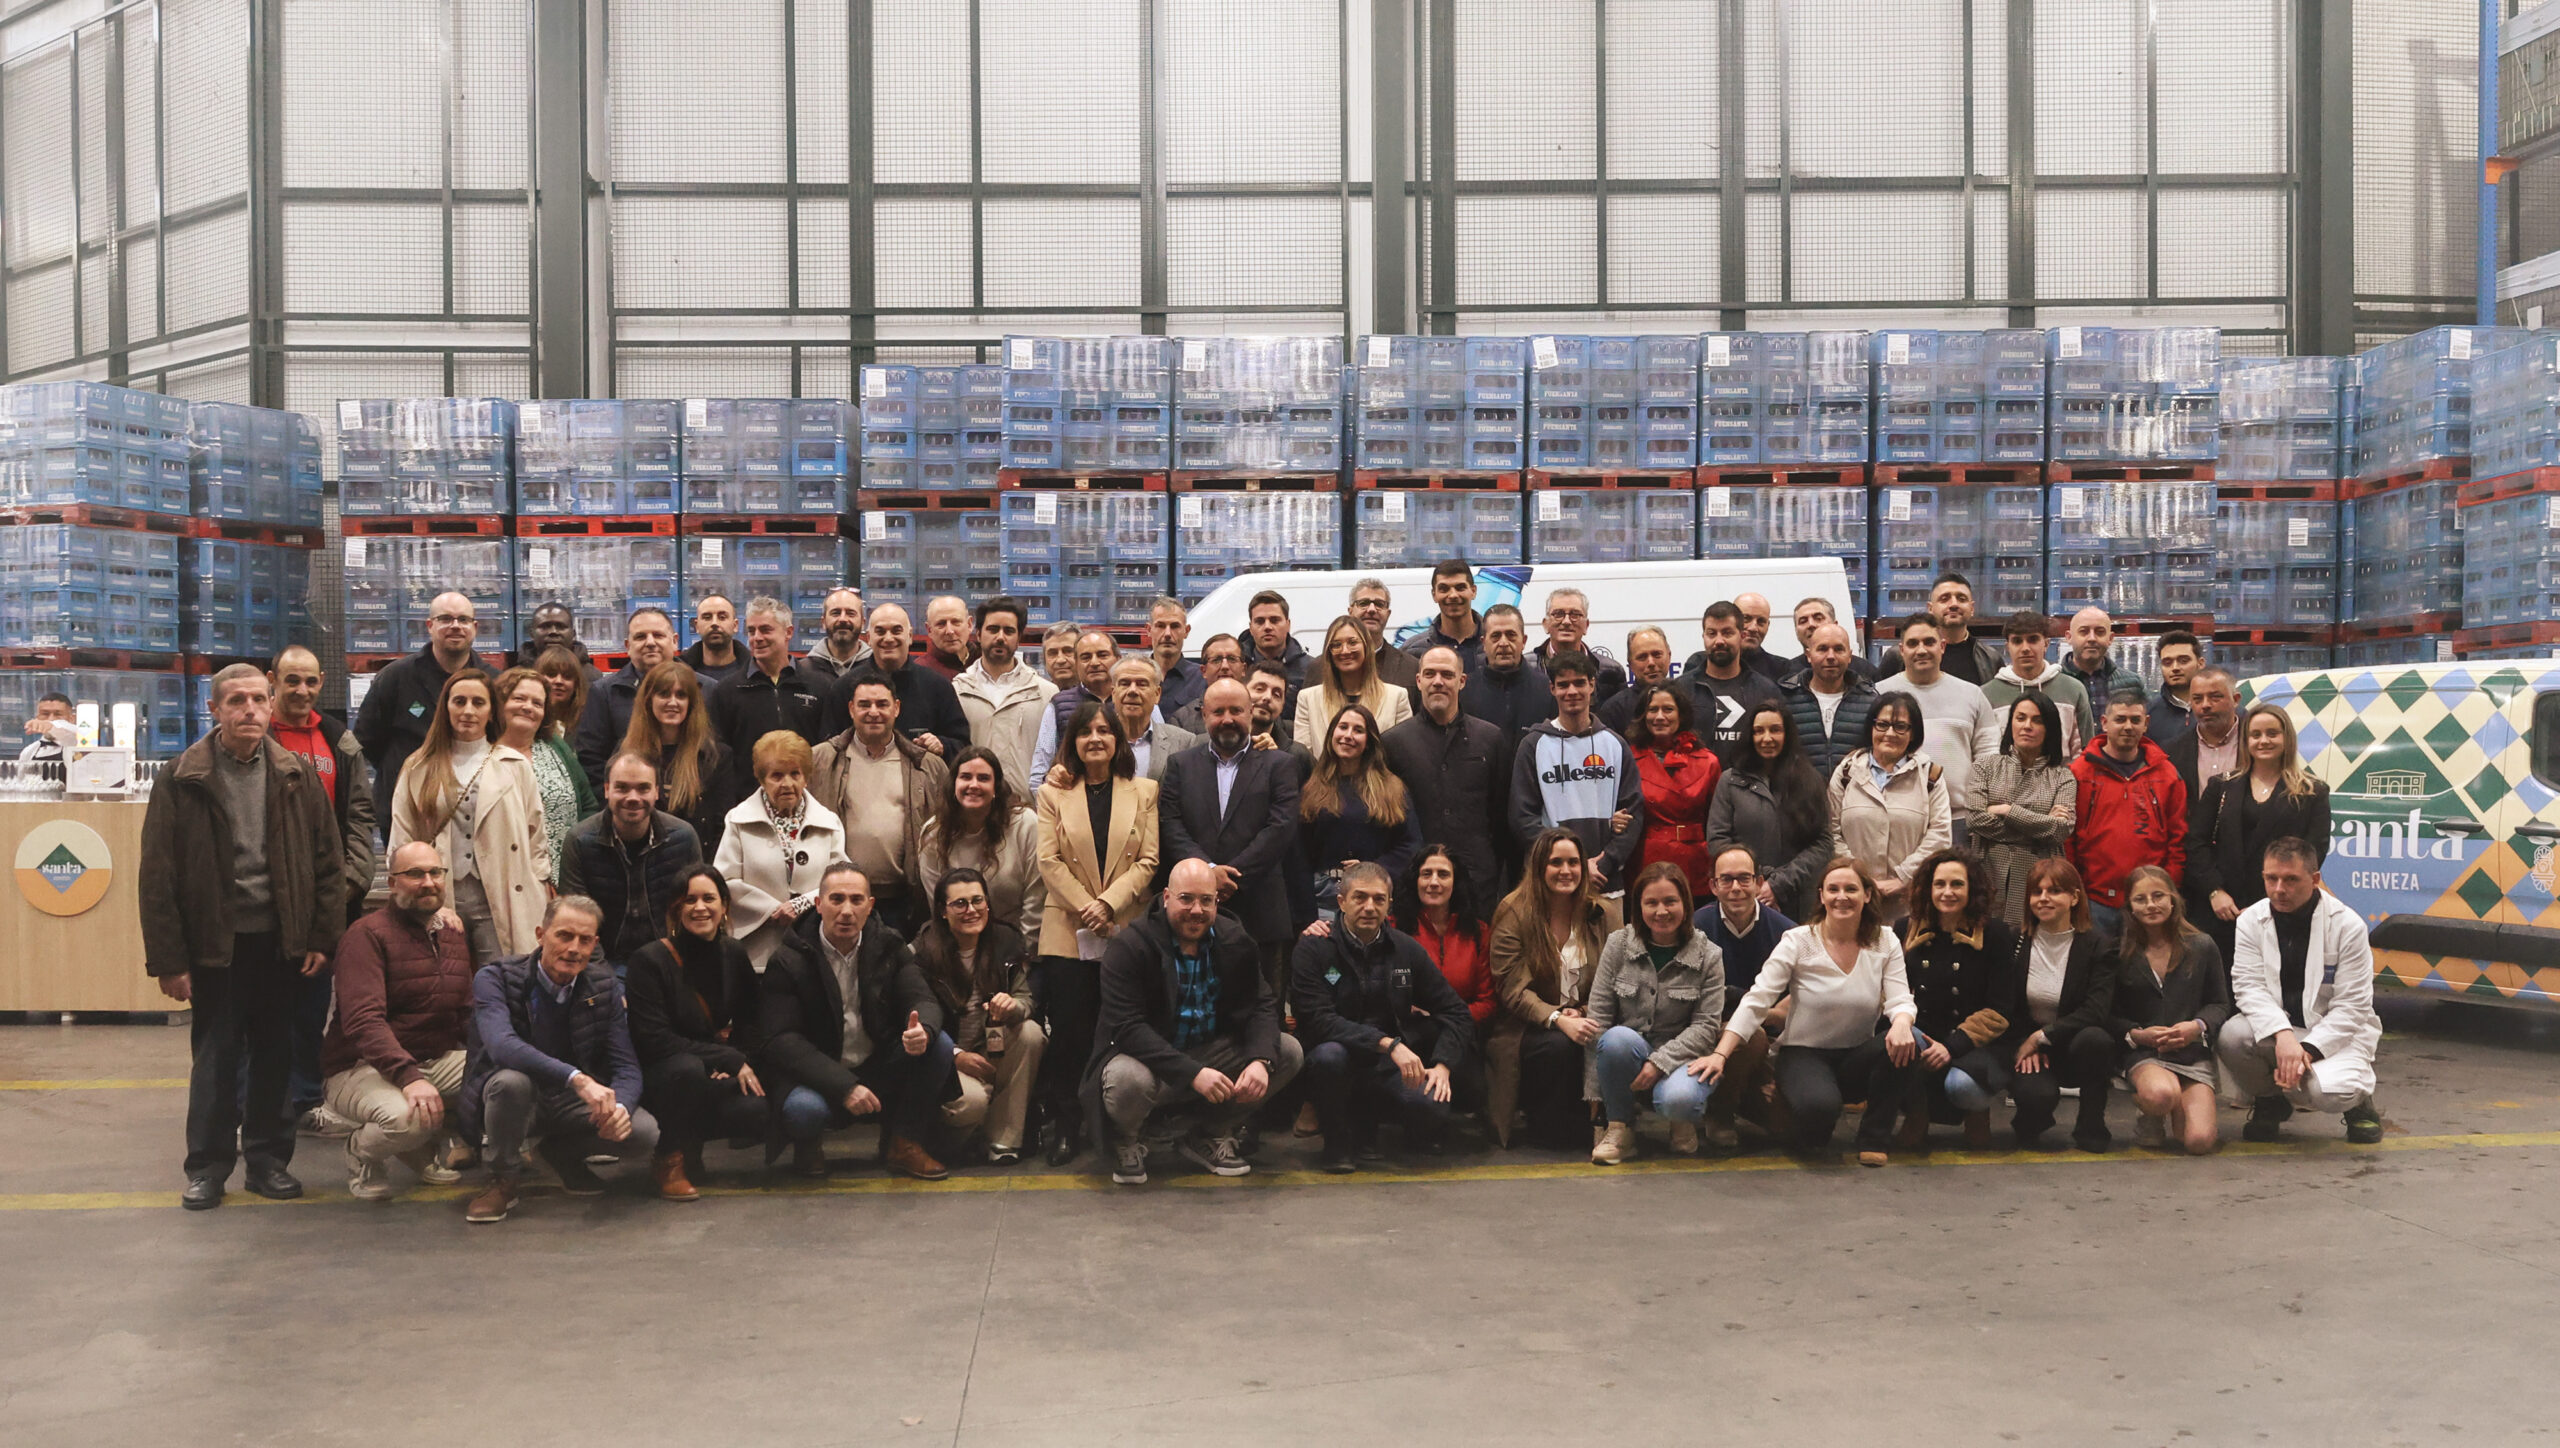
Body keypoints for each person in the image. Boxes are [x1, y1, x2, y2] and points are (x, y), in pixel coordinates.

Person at [143, 664, 346, 1209]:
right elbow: (156, 875)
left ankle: (267, 1162)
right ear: (214, 710)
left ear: (272, 705)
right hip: (216, 944)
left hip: (280, 942)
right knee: (216, 1057)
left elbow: (328, 863)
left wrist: (321, 938)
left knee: (275, 1054)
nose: (251, 710)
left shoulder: (294, 775)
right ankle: (207, 1167)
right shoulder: (182, 778)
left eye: (259, 699)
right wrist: (169, 959)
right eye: (237, 701)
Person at [1087, 859, 1305, 1184]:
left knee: (1287, 1052)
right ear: (1165, 898)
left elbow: (1261, 1003)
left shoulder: (1235, 939)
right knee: (1127, 1079)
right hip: (1150, 1063)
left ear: (1217, 901)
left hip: (1210, 1054)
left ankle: (1208, 1133)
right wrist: (1193, 1074)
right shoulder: (1130, 947)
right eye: (1186, 898)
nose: (1196, 910)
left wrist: (1260, 1060)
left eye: (1207, 900)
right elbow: (1127, 1028)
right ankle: (1128, 1139)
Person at [1696, 858, 1918, 1165]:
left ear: (1867, 895)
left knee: (1908, 1040)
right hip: (1803, 1054)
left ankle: (1874, 1137)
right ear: (1822, 896)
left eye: (1851, 889)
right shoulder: (1798, 940)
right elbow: (1758, 999)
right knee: (1816, 1121)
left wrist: (1903, 1022)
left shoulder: (1886, 940)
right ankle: (1790, 1102)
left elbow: (1900, 999)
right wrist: (1721, 1054)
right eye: (1834, 889)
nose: (1842, 896)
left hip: (1856, 1056)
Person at [458, 895, 662, 1223]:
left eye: (584, 940)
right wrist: (577, 1078)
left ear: (595, 943)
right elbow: (501, 1046)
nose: (573, 949)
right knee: (511, 1083)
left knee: (642, 1132)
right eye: (563, 936)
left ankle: (560, 1155)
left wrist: (620, 1108)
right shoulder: (495, 977)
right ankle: (503, 1179)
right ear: (541, 934)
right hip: (515, 1100)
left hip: (567, 1102)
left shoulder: (604, 984)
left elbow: (625, 1064)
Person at [755, 862, 957, 1180]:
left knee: (939, 1045)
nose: (846, 911)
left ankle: (903, 1143)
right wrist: (845, 1086)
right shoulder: (788, 958)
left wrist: (923, 1030)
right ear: (819, 905)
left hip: (877, 1065)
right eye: (836, 899)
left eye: (856, 900)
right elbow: (781, 1041)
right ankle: (808, 1145)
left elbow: (923, 1000)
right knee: (803, 1111)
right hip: (819, 1075)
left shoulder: (890, 945)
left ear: (870, 906)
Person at [1033, 700, 1159, 1164]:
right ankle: (1066, 1124)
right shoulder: (1053, 795)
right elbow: (1049, 860)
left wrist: (1109, 904)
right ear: (1073, 742)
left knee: (1124, 1031)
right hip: (1068, 928)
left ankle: (1118, 1126)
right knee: (1070, 1033)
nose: (1096, 739)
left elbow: (1148, 859)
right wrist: (1089, 907)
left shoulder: (1145, 790)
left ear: (1118, 739)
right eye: (1086, 732)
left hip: (1125, 926)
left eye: (1105, 731)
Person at [1293, 861, 1479, 1171]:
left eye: (1379, 899)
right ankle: (1338, 1142)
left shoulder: (1405, 950)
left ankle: (1370, 1130)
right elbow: (1317, 1020)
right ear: (1341, 901)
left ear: (1389, 904)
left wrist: (1443, 1066)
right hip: (1335, 1057)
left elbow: (1456, 1011)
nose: (1369, 907)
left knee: (1431, 1105)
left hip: (1385, 1066)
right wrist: (1389, 1045)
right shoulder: (1314, 948)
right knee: (1329, 1057)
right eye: (1360, 897)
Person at [265, 646, 376, 1138]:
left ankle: (307, 1099)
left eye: (310, 681)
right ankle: (258, 1108)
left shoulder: (338, 740)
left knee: (313, 1009)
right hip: (266, 901)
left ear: (322, 681)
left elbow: (359, 816)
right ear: (274, 680)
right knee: (262, 1012)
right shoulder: (256, 734)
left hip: (326, 901)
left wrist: (352, 880)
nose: (302, 691)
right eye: (291, 681)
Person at [322, 841, 471, 1200]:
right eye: (414, 874)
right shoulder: (366, 935)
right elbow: (364, 1022)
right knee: (409, 1119)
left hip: (431, 1059)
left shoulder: (450, 934)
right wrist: (410, 1078)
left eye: (435, 873)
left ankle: (420, 1151)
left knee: (509, 1076)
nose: (428, 882)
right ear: (391, 883)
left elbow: (468, 1010)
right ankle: (362, 1150)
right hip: (360, 1066)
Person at [2216, 837, 2385, 1145]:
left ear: (2315, 879)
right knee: (2231, 1036)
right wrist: (2283, 1037)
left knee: (2329, 1094)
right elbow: (2248, 988)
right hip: (2280, 1032)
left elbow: (2353, 1006)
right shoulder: (2251, 921)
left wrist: (2305, 1050)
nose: (2279, 889)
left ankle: (2360, 1104)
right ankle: (2269, 1102)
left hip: (2333, 1034)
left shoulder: (2348, 926)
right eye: (2271, 878)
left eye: (2291, 879)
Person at [387, 668, 550, 965]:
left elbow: (536, 837)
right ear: (445, 707)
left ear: (491, 712)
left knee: (501, 983)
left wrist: (538, 887)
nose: (468, 711)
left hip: (502, 896)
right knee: (443, 984)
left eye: (478, 703)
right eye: (459, 701)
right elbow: (402, 836)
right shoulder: (418, 766)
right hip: (436, 896)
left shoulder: (515, 766)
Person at [624, 866, 763, 1198]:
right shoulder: (649, 960)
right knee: (687, 1072)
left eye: (709, 898)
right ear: (675, 909)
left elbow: (752, 1020)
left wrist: (739, 1059)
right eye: (689, 900)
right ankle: (669, 1158)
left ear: (724, 906)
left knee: (756, 1108)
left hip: (711, 1066)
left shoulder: (734, 953)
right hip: (663, 1072)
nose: (700, 907)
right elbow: (653, 1039)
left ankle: (692, 1147)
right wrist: (725, 1058)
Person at [1160, 679, 1303, 996]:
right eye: (1218, 711)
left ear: (1251, 713)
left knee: (1261, 1009)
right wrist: (1207, 873)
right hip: (1192, 915)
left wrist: (1232, 876)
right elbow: (1170, 824)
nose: (1227, 718)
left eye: (1236, 710)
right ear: (1204, 715)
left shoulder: (1280, 764)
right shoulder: (1180, 765)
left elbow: (1280, 828)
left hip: (1260, 910)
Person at [1586, 861, 1727, 1163]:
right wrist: (1595, 1096)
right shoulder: (1617, 945)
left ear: (1685, 904)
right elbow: (1597, 1018)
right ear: (1639, 906)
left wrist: (1659, 1063)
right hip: (1629, 1052)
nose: (1661, 911)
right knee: (1615, 1039)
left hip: (1682, 1058)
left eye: (1670, 901)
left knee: (1680, 1100)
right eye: (1651, 902)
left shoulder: (1710, 955)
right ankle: (1620, 1127)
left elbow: (1705, 1028)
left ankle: (1682, 1120)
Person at [1485, 828, 1610, 1148]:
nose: (1566, 871)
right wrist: (1558, 1018)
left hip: (1588, 1016)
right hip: (1526, 1026)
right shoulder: (1513, 912)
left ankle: (1604, 1120)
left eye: (1573, 862)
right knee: (1559, 1045)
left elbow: (1615, 978)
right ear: (1539, 866)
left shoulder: (1601, 913)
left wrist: (1580, 1011)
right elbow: (1512, 988)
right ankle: (1549, 1124)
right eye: (1556, 862)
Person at [912, 868, 1046, 1164]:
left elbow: (1027, 1000)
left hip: (991, 1045)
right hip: (945, 1056)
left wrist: (1013, 1006)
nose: (971, 910)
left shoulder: (1006, 941)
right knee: (971, 1103)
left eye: (978, 901)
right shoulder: (920, 952)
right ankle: (955, 1143)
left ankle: (1003, 1142)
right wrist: (955, 1054)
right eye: (960, 904)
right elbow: (917, 1018)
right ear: (943, 912)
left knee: (1031, 1033)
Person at [2185, 701, 2331, 972]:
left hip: (2283, 909)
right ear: (2246, 740)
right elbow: (2196, 843)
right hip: (2225, 910)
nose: (2264, 740)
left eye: (2272, 733)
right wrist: (2214, 891)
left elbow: (2314, 852)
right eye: (2256, 734)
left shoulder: (2312, 792)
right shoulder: (2221, 786)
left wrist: (2279, 894)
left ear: (2286, 738)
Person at [1896, 848, 2019, 1152]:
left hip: (1977, 1041)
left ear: (1971, 889)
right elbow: (1895, 992)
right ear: (1928, 888)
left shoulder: (1995, 933)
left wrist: (1952, 1046)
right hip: (1924, 1032)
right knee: (1893, 1040)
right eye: (1940, 884)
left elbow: (2000, 1009)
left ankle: (1977, 1112)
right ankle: (1916, 1116)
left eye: (1957, 884)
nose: (1947, 892)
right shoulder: (1905, 929)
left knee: (1962, 1088)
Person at [808, 669, 948, 933]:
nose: (873, 711)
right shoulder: (819, 761)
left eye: (882, 704)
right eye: (864, 704)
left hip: (904, 902)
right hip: (840, 901)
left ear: (896, 708)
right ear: (851, 709)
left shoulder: (928, 766)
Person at [2111, 864, 2230, 1156]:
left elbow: (2220, 1003)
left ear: (2173, 899)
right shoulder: (2118, 952)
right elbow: (2107, 1013)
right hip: (2145, 1054)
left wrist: (2197, 1026)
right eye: (2141, 899)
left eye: (2158, 896)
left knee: (2198, 1142)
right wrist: (2137, 1034)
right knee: (2162, 1094)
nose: (2151, 905)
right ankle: (2151, 1111)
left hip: (2192, 1054)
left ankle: (2174, 1107)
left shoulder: (2202, 945)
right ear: (2130, 906)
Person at [353, 589, 497, 828]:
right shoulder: (396, 678)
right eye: (445, 619)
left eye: (463, 620)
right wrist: (404, 768)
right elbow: (367, 740)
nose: (455, 626)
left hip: (474, 813)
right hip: (407, 813)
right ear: (429, 625)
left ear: (475, 627)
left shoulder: (493, 682)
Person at [2003, 858, 2120, 1151]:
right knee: (2036, 1096)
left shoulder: (2099, 946)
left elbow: (2096, 1010)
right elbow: (2005, 1003)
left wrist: (2043, 1037)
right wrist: (2025, 1042)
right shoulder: (2014, 940)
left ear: (2074, 897)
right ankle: (2030, 1119)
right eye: (2036, 891)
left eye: (2054, 891)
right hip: (2027, 1045)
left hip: (2072, 1043)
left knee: (2097, 1040)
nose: (2043, 898)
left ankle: (2091, 1123)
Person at [1511, 650, 1643, 900]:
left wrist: (1605, 863)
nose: (1571, 691)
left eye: (1580, 682)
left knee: (1612, 942)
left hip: (1605, 883)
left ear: (1592, 685)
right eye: (1563, 685)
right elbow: (1522, 818)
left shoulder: (1615, 744)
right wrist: (1572, 866)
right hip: (1552, 885)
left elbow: (1633, 813)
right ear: (1552, 689)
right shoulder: (1533, 746)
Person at [714, 730, 851, 970]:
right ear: (761, 779)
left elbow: (842, 882)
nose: (787, 784)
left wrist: (802, 905)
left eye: (795, 774)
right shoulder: (737, 820)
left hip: (814, 950)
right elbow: (724, 882)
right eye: (777, 776)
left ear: (806, 778)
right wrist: (772, 910)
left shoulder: (829, 823)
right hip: (755, 954)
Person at [1383, 645, 1512, 896]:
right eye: (1430, 674)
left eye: (1447, 675)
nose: (1438, 682)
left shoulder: (1490, 739)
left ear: (1462, 681)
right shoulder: (1393, 743)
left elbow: (1500, 816)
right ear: (1418, 681)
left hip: (1477, 882)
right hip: (1414, 882)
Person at [558, 751, 705, 965]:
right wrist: (604, 981)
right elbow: (575, 918)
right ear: (607, 790)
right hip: (603, 962)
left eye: (643, 788)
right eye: (622, 788)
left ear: (656, 792)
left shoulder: (684, 838)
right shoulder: (579, 841)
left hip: (670, 962)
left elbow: (693, 911)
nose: (633, 798)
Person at [2066, 690, 2188, 938]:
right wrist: (2075, 891)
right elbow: (2068, 838)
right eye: (2120, 719)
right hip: (2095, 900)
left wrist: (2167, 890)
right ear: (2104, 723)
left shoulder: (2166, 774)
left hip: (2150, 903)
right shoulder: (2078, 773)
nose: (2128, 726)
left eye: (2135, 720)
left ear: (2146, 724)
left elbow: (2179, 839)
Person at [1692, 845, 1792, 1148]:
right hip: (1710, 1034)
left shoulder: (1787, 933)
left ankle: (1744, 1094)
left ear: (1759, 882)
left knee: (1792, 1128)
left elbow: (1798, 1001)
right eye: (1726, 879)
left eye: (1744, 879)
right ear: (1712, 886)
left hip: (1774, 1044)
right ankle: (1719, 1114)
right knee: (1752, 1036)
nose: (1736, 888)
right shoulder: (1695, 928)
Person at [1827, 692, 1951, 924]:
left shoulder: (1930, 776)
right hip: (1852, 899)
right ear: (1871, 727)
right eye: (1882, 725)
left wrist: (1902, 877)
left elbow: (1940, 835)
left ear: (1913, 733)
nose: (1890, 733)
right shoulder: (1846, 772)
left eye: (1900, 726)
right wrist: (1858, 877)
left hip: (1909, 901)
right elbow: (1831, 831)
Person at [1705, 703, 1833, 920]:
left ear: (1788, 734)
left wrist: (1778, 883)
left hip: (1800, 899)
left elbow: (1823, 843)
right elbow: (1718, 840)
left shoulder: (1811, 780)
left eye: (1775, 730)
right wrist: (1756, 881)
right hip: (1744, 896)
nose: (1767, 738)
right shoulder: (1730, 781)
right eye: (1758, 731)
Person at [1298, 702, 1423, 917]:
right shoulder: (1312, 786)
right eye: (1343, 727)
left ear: (1369, 742)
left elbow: (1411, 844)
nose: (1348, 735)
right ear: (1332, 734)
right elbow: (1299, 851)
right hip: (1323, 897)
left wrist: (1372, 869)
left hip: (1373, 895)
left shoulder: (1391, 788)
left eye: (1358, 730)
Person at [706, 596, 828, 808]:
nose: (757, 638)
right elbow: (719, 758)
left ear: (788, 632)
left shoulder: (818, 686)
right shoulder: (727, 691)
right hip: (748, 808)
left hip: (809, 805)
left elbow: (826, 754)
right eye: (752, 631)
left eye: (765, 630)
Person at [1968, 692, 2077, 928]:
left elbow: (2061, 830)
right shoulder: (1985, 767)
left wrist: (2007, 810)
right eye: (2020, 718)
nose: (2027, 726)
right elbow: (1975, 819)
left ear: (2049, 728)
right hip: (1989, 872)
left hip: (2041, 878)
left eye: (2037, 720)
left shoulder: (2062, 776)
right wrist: (2041, 824)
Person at [920, 745, 1046, 942]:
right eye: (966, 777)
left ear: (996, 787)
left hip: (1018, 944)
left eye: (984, 778)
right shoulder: (933, 833)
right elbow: (939, 909)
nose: (974, 785)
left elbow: (1036, 900)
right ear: (953, 784)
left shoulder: (1026, 824)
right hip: (958, 945)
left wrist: (1022, 959)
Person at [1883, 612, 2002, 813]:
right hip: (1898, 816)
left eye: (1929, 642)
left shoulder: (1972, 693)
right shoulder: (1880, 694)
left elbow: (1988, 754)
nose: (1921, 650)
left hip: (1960, 817)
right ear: (1902, 651)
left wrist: (1981, 803)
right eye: (1913, 644)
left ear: (1942, 647)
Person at [829, 602, 972, 763]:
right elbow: (830, 750)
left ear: (910, 636)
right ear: (869, 638)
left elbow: (963, 746)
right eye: (880, 631)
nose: (888, 638)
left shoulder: (938, 687)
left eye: (896, 631)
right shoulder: (844, 688)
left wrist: (942, 746)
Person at [616, 660, 730, 854]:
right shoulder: (626, 753)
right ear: (648, 700)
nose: (672, 702)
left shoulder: (716, 757)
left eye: (681, 695)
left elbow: (722, 825)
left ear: (691, 703)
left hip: (696, 867)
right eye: (664, 694)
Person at [496, 658, 592, 881]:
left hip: (563, 879)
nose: (528, 707)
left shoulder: (555, 745)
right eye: (519, 698)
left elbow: (587, 804)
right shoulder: (482, 751)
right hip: (502, 879)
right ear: (500, 702)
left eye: (537, 703)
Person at [952, 594, 1057, 795]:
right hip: (973, 810)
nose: (1000, 637)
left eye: (1009, 631)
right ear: (978, 634)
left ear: (1019, 638)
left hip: (1027, 810)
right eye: (993, 629)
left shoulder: (1045, 693)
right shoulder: (957, 691)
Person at [1624, 681, 1720, 895]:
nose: (1659, 717)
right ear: (1643, 715)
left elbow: (1716, 822)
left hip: (1696, 865)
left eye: (1668, 709)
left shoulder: (1708, 762)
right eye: (1652, 710)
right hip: (1646, 861)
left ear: (1682, 714)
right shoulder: (1627, 759)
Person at [1397, 844, 1497, 1032]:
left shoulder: (1479, 932)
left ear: (1456, 882)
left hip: (1463, 1032)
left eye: (1443, 874)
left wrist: (1445, 1020)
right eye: (1426, 874)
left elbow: (1487, 1002)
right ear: (1415, 880)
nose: (1434, 882)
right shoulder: (1394, 927)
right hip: (1409, 1033)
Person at [575, 607, 679, 787]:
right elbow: (591, 760)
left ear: (675, 641)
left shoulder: (702, 688)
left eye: (658, 635)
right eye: (640, 637)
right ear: (627, 646)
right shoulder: (603, 693)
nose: (650, 642)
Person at [1677, 600, 1783, 769]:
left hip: (1748, 789)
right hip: (1695, 792)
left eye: (1727, 633)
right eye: (1712, 633)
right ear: (1703, 636)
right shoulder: (1681, 689)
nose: (1719, 641)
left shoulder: (1766, 690)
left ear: (1741, 636)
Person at [1294, 614, 1414, 754]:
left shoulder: (1397, 697)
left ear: (1366, 647)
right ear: (1329, 652)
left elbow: (1402, 755)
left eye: (1352, 642)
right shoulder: (1308, 699)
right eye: (1337, 645)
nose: (1345, 651)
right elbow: (1304, 759)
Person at [1979, 610, 2091, 755]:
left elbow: (2084, 751)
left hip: (2062, 776)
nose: (2025, 648)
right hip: (2006, 777)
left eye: (2032, 639)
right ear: (2008, 647)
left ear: (2046, 644)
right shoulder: (1986, 695)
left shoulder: (2073, 689)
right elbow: (1985, 752)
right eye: (2017, 641)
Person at [1780, 621, 1878, 778]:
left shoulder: (1870, 701)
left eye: (1839, 649)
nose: (1831, 656)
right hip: (1799, 798)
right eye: (1822, 649)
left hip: (1853, 797)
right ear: (1809, 655)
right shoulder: (1785, 699)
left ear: (1850, 656)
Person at [1027, 626, 1124, 783]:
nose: (1094, 662)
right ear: (1077, 663)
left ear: (1118, 660)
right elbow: (1039, 774)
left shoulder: (1133, 700)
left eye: (1102, 655)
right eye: (1085, 657)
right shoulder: (1058, 705)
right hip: (1073, 802)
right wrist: (1052, 806)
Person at [529, 646, 602, 852]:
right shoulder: (527, 728)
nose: (558, 681)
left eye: (567, 676)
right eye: (550, 674)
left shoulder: (590, 724)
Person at [1458, 604, 1556, 753]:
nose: (1503, 643)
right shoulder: (1464, 692)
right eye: (1496, 636)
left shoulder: (1547, 690)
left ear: (1523, 641)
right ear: (1484, 643)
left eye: (1511, 635)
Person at [1880, 573, 2001, 685]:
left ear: (1972, 608)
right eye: (1944, 599)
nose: (1954, 604)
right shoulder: (1897, 657)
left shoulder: (1990, 658)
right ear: (1930, 608)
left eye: (1962, 599)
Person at [1105, 655, 1197, 782]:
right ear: (1113, 693)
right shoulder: (1095, 740)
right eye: (1125, 683)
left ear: (1157, 694)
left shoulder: (1184, 742)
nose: (1132, 691)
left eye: (1142, 684)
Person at [2161, 665, 2241, 805]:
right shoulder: (2171, 752)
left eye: (2215, 697)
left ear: (2236, 699)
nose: (2205, 705)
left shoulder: (2256, 744)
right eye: (2198, 699)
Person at [1533, 588, 1626, 705]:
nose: (1566, 621)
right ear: (1545, 624)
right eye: (1558, 614)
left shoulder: (1611, 671)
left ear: (1586, 625)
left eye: (1575, 615)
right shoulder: (1527, 667)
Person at [1238, 588, 1314, 720]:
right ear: (1250, 627)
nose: (1267, 627)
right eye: (1260, 621)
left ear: (1288, 624)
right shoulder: (1238, 666)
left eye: (1274, 620)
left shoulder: (1310, 669)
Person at [1399, 559, 1485, 674]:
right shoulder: (1412, 651)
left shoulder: (1496, 645)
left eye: (1460, 588)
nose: (1453, 595)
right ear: (1434, 595)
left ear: (1473, 591)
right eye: (1444, 589)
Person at [1597, 625, 1675, 735]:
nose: (1651, 663)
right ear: (1630, 664)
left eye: (1657, 654)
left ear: (1669, 656)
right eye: (1642, 657)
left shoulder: (1688, 699)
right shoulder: (1614, 710)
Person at [1346, 577, 1419, 692]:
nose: (1371, 609)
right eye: (1363, 603)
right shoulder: (1323, 667)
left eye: (1379, 604)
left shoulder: (1411, 668)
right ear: (1350, 612)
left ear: (1388, 614)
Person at [796, 586, 872, 692]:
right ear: (823, 622)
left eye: (850, 613)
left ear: (863, 623)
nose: (843, 619)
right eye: (836, 613)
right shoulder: (802, 671)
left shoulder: (876, 669)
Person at [2060, 607, 2142, 703]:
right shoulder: (2054, 683)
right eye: (2084, 631)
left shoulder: (2132, 684)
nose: (2092, 638)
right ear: (2069, 637)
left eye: (2100, 632)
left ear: (2110, 638)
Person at [1168, 632, 1246, 733]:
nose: (1225, 666)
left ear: (1244, 669)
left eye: (1232, 659)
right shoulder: (1181, 720)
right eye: (1216, 660)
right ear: (1203, 670)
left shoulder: (1259, 713)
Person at [1789, 597, 1877, 682]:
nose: (1811, 624)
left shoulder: (1865, 672)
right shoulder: (1787, 675)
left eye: (1818, 618)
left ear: (1835, 625)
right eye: (1803, 621)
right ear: (1796, 631)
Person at [1146, 596, 1207, 712]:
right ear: (1148, 630)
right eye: (1160, 626)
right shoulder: (1135, 677)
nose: (1168, 633)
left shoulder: (1202, 679)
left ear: (1186, 631)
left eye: (1175, 626)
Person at [678, 593, 749, 689]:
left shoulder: (755, 671)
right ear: (696, 626)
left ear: (735, 625)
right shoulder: (680, 673)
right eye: (707, 618)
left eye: (722, 617)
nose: (714, 623)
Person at [2146, 630, 2204, 747]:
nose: (2175, 668)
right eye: (2167, 662)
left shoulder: (2224, 710)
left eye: (2183, 661)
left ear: (2200, 663)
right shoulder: (2148, 715)